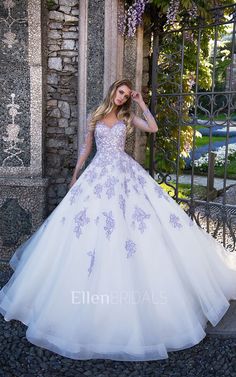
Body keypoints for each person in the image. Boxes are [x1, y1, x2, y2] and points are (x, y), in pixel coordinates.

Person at [0, 78, 236, 362]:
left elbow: (153, 128)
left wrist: (141, 102)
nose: (123, 97)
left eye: (126, 94)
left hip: (125, 174)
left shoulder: (128, 115)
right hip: (97, 175)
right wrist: (76, 175)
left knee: (135, 227)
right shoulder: (96, 115)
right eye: (121, 92)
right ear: (113, 90)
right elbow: (86, 148)